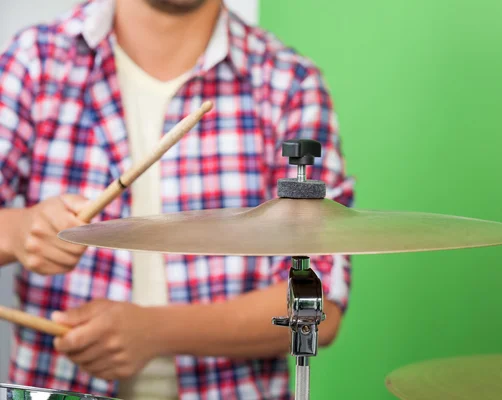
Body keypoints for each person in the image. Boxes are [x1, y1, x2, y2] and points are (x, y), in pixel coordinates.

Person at [0, 0, 354, 399]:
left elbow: (320, 304)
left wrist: (154, 331)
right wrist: (17, 232)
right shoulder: (34, 62)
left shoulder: (289, 82)